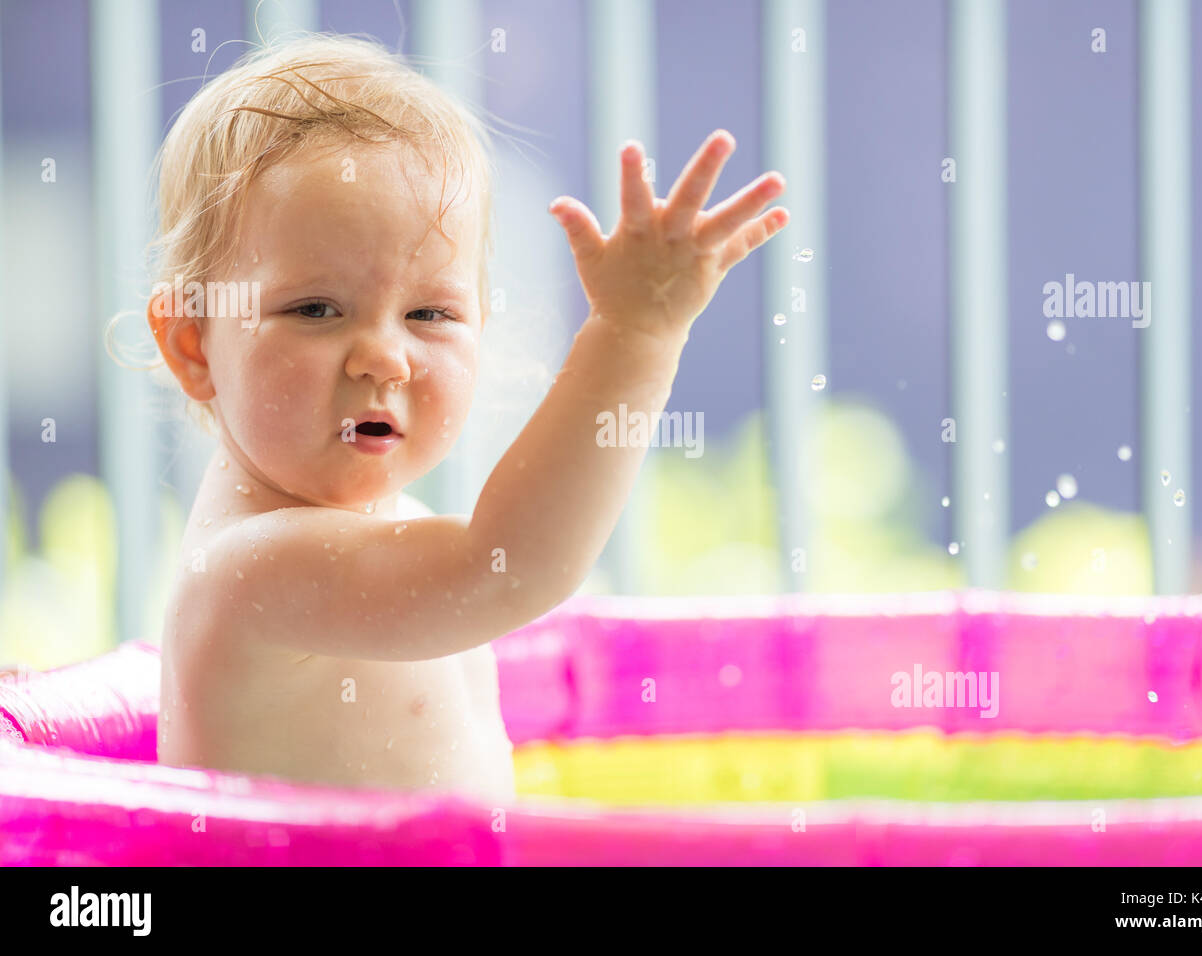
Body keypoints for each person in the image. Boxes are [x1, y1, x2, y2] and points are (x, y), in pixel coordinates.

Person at [145, 34, 788, 801]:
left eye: (429, 312)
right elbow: (508, 567)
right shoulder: (253, 568)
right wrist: (633, 337)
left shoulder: (384, 531)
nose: (383, 357)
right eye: (315, 309)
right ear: (193, 345)